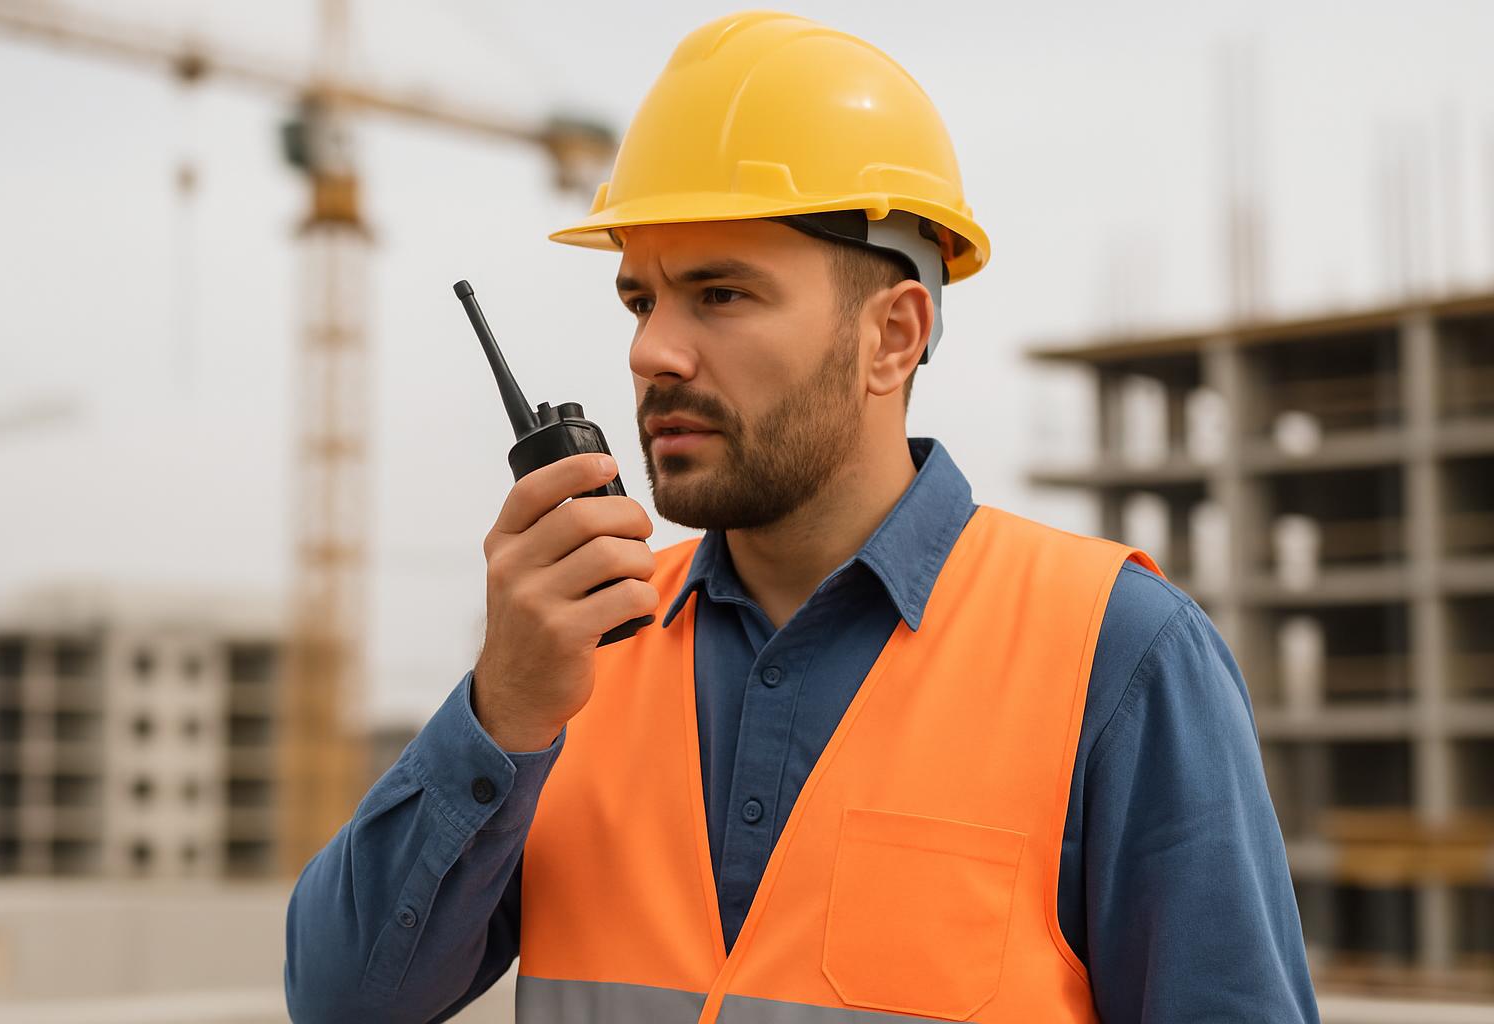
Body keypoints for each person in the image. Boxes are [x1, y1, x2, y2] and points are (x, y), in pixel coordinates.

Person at [284, 11, 1319, 1023]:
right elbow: (340, 1001)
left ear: (892, 337)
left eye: (720, 294)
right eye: (641, 300)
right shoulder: (574, 652)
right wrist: (501, 707)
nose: (654, 351)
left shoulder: (1120, 653)